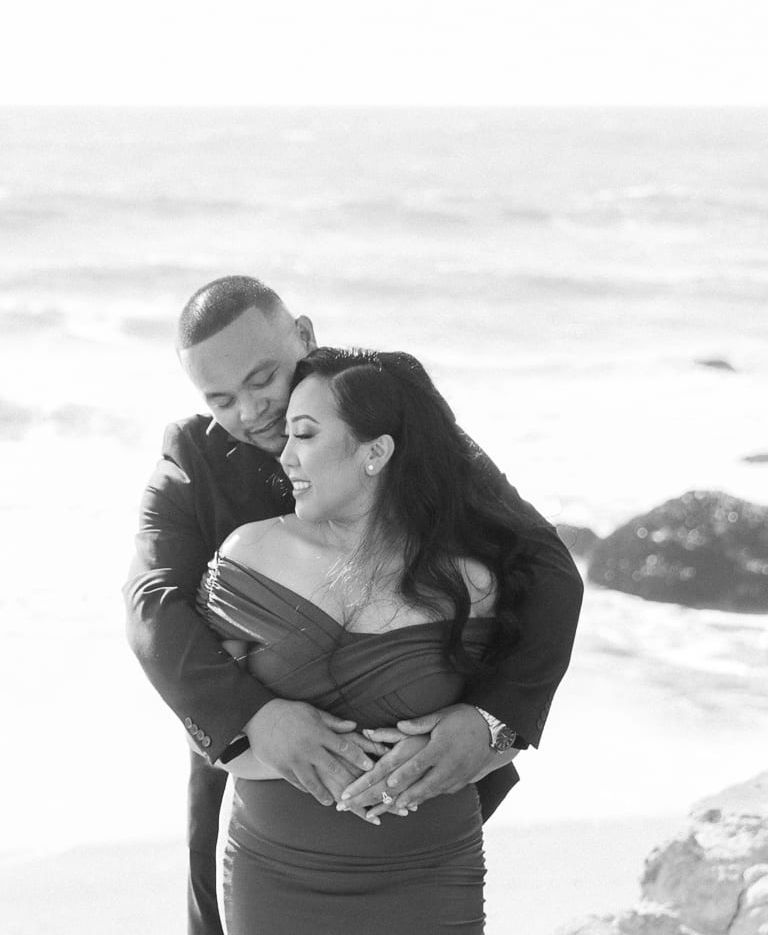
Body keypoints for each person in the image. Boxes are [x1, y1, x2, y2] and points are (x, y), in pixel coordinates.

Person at [123, 277, 583, 935]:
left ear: (304, 337)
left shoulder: (386, 415)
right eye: (220, 399)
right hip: (256, 782)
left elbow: (545, 566)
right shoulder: (194, 456)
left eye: (263, 380)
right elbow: (151, 604)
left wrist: (494, 721)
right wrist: (256, 717)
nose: (251, 412)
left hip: (421, 800)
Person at [205, 346, 535, 933]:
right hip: (278, 879)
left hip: (430, 879)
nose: (284, 456)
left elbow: (506, 729)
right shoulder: (249, 556)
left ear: (376, 452)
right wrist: (318, 766)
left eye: (304, 435)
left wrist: (467, 746)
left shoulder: (471, 582)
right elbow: (205, 718)